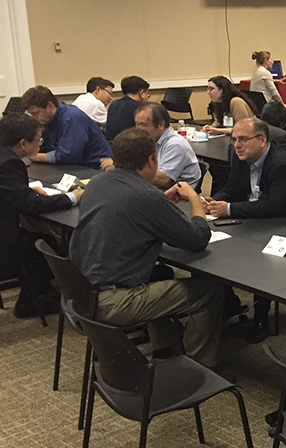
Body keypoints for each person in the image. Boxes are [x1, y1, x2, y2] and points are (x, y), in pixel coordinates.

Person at [69, 128, 224, 367]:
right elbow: (197, 239)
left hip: (82, 292)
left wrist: (163, 205)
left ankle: (165, 351)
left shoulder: (98, 183)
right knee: (209, 290)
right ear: (152, 160)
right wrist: (195, 199)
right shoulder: (147, 197)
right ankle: (198, 367)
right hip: (114, 301)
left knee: (159, 274)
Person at [207, 118, 286, 343]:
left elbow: (276, 206)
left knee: (261, 257)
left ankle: (261, 318)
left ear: (262, 140)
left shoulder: (281, 163)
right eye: (235, 139)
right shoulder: (241, 159)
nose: (237, 145)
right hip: (259, 217)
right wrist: (214, 201)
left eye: (243, 139)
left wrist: (229, 209)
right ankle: (229, 304)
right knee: (214, 251)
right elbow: (234, 188)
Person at [0, 113, 82, 318]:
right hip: (3, 240)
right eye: (38, 140)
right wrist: (72, 197)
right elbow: (29, 205)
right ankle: (32, 302)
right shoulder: (10, 163)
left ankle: (40, 295)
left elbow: (12, 193)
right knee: (42, 244)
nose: (40, 144)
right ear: (23, 143)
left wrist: (23, 190)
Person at [21, 85, 111, 170]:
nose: (34, 118)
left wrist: (35, 156)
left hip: (93, 168)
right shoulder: (47, 120)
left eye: (36, 113)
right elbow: (43, 148)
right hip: (72, 167)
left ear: (50, 106)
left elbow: (68, 155)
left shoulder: (72, 118)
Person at [132, 102, 201, 189]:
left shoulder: (175, 145)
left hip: (177, 196)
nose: (138, 129)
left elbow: (163, 180)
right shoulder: (150, 139)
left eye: (143, 125)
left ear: (161, 125)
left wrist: (130, 172)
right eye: (137, 124)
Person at [105, 76, 151, 141]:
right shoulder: (142, 107)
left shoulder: (113, 104)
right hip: (132, 145)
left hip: (112, 146)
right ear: (142, 93)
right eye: (147, 93)